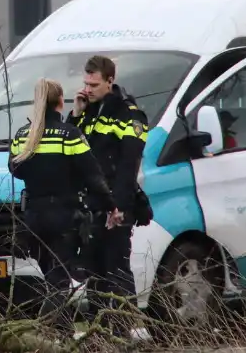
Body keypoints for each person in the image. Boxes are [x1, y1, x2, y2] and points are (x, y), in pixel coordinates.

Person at [8, 78, 121, 337]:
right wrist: (111, 206)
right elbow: (93, 175)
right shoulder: (69, 135)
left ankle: (61, 335)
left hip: (33, 218)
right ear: (60, 102)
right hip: (64, 217)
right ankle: (38, 335)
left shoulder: (22, 136)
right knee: (60, 283)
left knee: (51, 278)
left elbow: (15, 170)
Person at [67, 55, 152, 329]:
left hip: (116, 203)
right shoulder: (90, 110)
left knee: (117, 269)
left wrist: (120, 208)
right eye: (85, 84)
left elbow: (129, 166)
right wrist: (77, 114)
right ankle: (100, 333)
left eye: (94, 84)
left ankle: (124, 329)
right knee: (93, 272)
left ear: (110, 81)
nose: (88, 89)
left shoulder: (129, 114)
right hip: (91, 203)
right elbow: (74, 149)